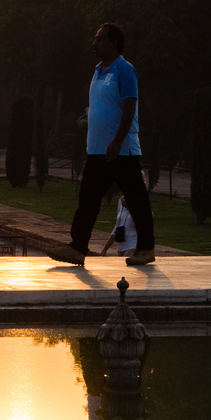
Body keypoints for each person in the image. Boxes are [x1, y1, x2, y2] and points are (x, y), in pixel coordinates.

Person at [45, 23, 155, 267]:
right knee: (88, 199)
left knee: (136, 199)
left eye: (99, 39)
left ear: (113, 43)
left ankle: (146, 248)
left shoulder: (124, 71)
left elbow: (129, 108)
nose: (95, 43)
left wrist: (117, 140)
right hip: (98, 150)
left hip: (121, 149)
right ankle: (78, 247)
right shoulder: (98, 71)